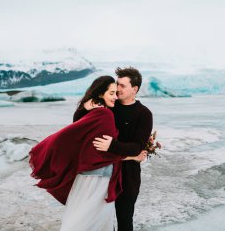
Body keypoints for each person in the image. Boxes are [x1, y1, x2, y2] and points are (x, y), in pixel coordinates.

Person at [29, 76, 147, 231]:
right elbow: (102, 154)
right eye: (111, 93)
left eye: (116, 92)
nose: (115, 96)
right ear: (100, 94)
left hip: (86, 178)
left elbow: (88, 144)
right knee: (92, 223)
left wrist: (84, 107)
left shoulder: (93, 113)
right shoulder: (105, 115)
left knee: (81, 219)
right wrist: (133, 156)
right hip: (98, 179)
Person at [73, 67, 153, 231]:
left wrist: (112, 145)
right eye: (117, 84)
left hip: (128, 176)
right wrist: (84, 109)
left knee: (124, 221)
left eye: (123, 85)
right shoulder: (109, 106)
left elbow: (137, 147)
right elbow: (78, 126)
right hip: (102, 174)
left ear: (135, 89)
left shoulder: (144, 114)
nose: (118, 88)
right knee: (98, 221)